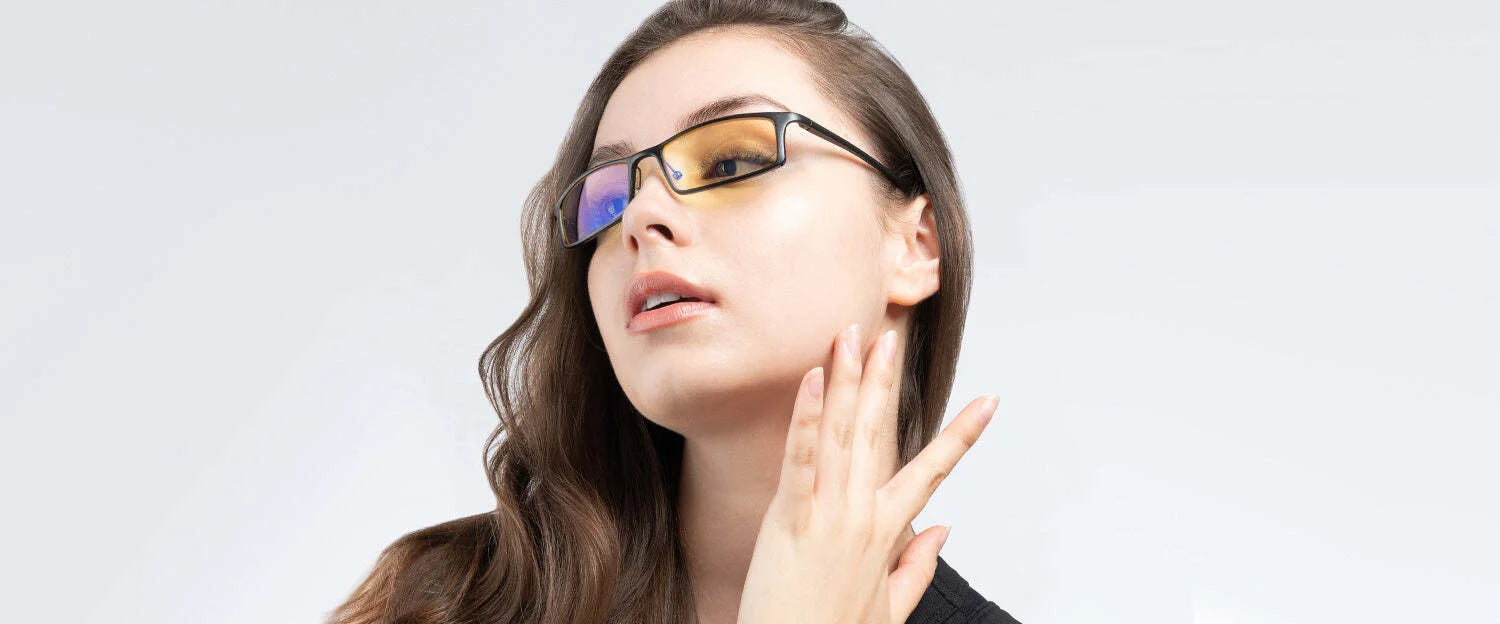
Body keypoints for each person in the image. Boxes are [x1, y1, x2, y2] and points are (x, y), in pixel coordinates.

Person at [325, 1, 1021, 622]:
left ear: (916, 245)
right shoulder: (438, 602)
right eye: (607, 199)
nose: (641, 215)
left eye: (728, 163)